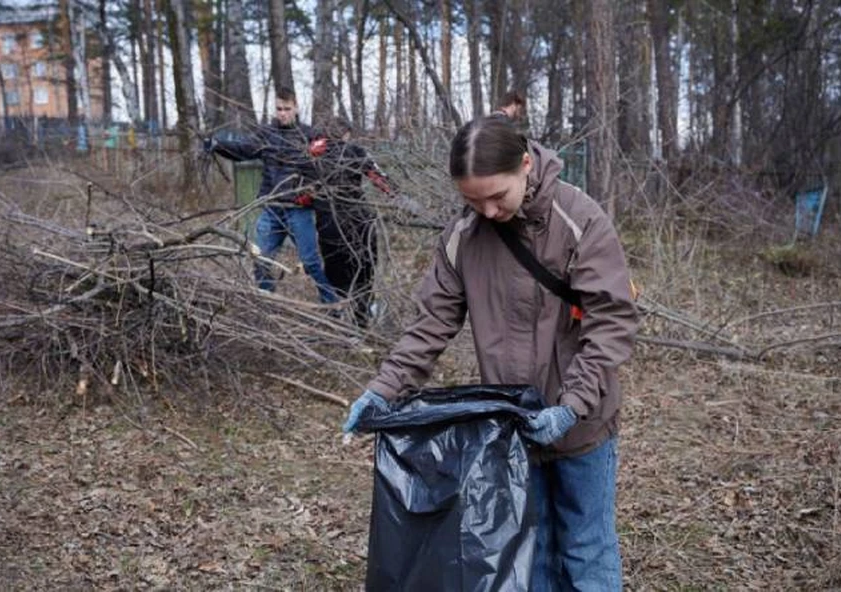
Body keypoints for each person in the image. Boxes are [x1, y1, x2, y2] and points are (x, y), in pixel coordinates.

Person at [343, 116, 639, 590]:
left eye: (497, 197)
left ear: (526, 165)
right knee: (530, 548)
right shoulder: (464, 236)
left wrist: (571, 406)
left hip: (583, 423)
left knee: (586, 548)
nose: (487, 212)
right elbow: (430, 323)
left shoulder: (579, 220)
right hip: (514, 429)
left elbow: (612, 323)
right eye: (471, 200)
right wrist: (383, 390)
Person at [205, 88, 337, 305]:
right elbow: (243, 150)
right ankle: (268, 305)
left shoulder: (309, 136)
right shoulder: (267, 134)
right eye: (279, 109)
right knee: (260, 259)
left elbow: (326, 167)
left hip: (299, 209)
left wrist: (311, 192)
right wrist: (218, 145)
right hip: (272, 207)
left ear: (296, 108)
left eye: (287, 109)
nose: (282, 113)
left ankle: (332, 305)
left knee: (311, 263)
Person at [312, 117, 398, 327]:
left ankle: (336, 319)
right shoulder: (357, 152)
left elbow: (302, 195)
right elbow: (381, 180)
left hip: (328, 224)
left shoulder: (313, 155)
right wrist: (398, 196)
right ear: (347, 134)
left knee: (335, 273)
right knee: (364, 272)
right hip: (358, 221)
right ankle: (361, 318)